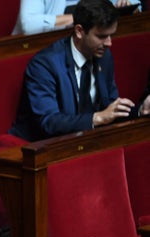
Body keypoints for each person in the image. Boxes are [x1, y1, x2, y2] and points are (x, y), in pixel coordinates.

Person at [9, 0, 150, 142]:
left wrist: (141, 110)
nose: (109, 43)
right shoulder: (44, 65)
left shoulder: (104, 57)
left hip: (81, 142)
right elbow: (49, 122)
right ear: (79, 32)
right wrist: (98, 117)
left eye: (111, 35)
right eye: (101, 37)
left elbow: (110, 110)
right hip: (39, 148)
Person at [12, 0, 140, 35]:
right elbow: (29, 24)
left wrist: (127, 4)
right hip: (47, 48)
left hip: (99, 44)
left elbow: (136, 7)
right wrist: (81, 18)